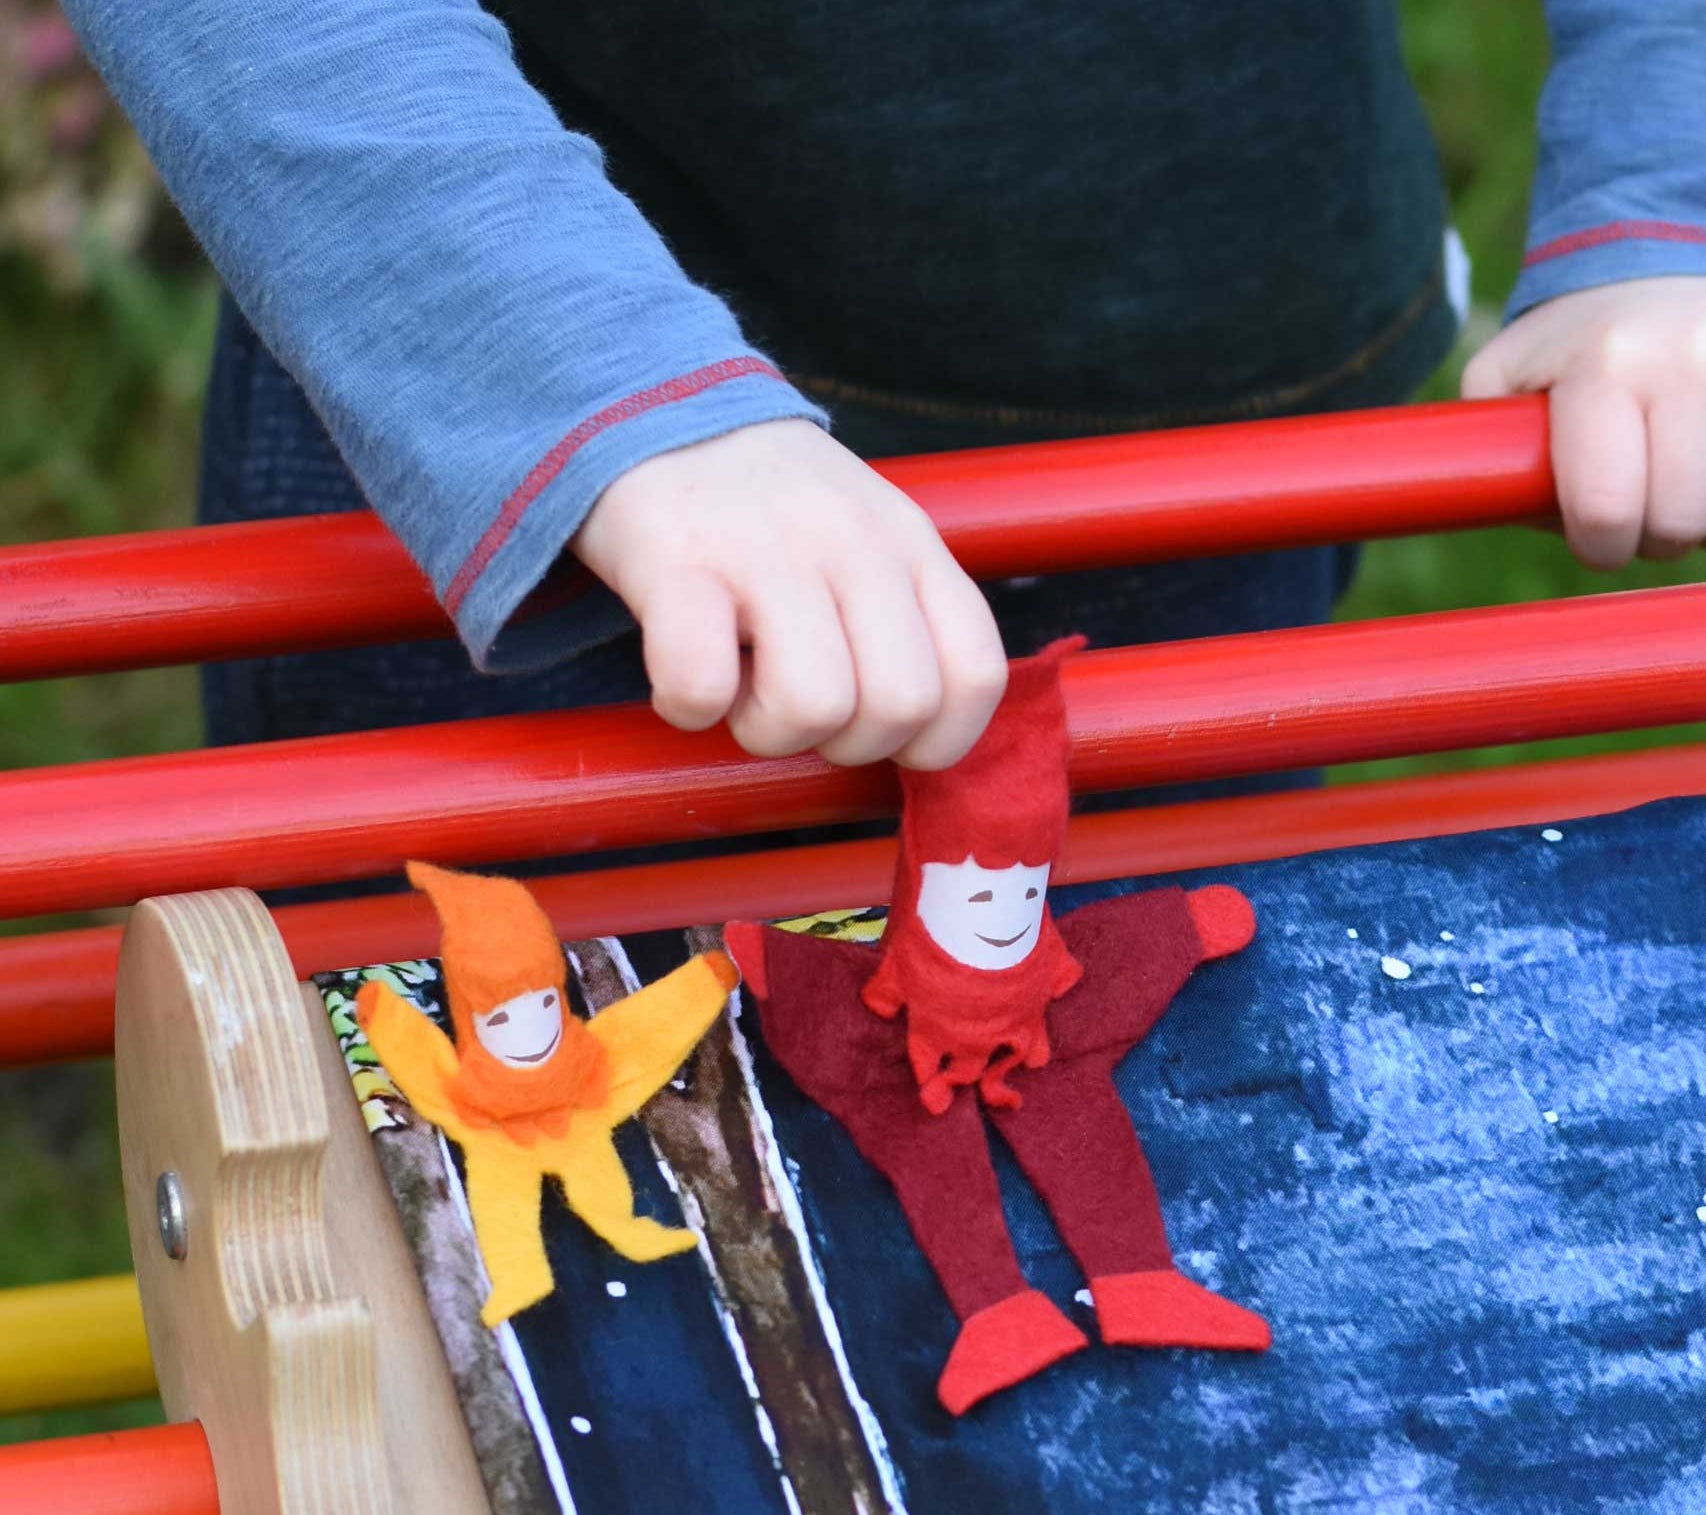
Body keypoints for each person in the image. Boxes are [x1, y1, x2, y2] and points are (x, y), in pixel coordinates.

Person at [59, 1, 1706, 769]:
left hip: (1207, 429)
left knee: (1143, 1138)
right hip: (542, 459)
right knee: (481, 1275)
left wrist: (1667, 187)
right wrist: (599, 392)